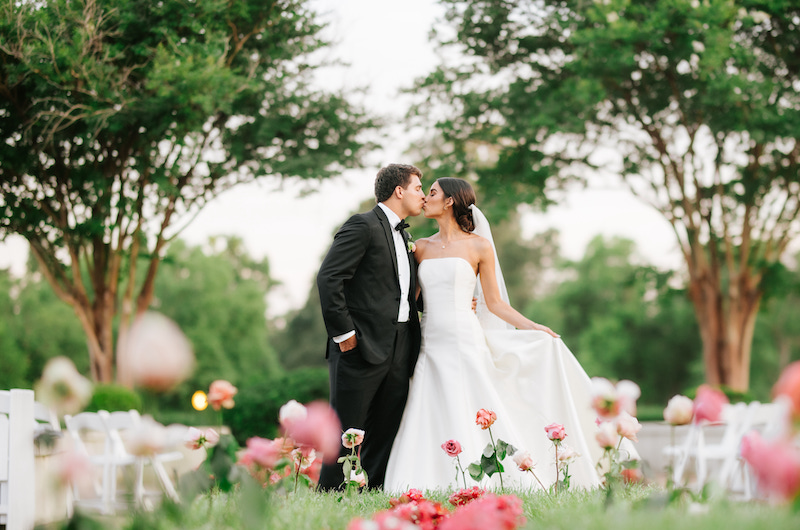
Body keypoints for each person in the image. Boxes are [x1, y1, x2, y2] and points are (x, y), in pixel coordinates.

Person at [384, 177, 610, 492]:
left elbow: (495, 303)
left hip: (466, 337)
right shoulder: (419, 247)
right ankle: (426, 479)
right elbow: (411, 299)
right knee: (429, 403)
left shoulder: (479, 246)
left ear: (450, 201)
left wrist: (533, 326)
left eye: (432, 193)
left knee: (476, 402)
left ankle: (496, 476)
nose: (425, 199)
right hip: (430, 339)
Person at [316, 163, 425, 490]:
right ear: (399, 190)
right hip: (359, 347)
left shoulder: (406, 235)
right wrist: (345, 335)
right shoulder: (361, 226)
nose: (423, 194)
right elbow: (329, 278)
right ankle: (329, 492)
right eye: (419, 188)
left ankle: (375, 489)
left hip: (401, 346)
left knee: (386, 426)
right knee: (345, 428)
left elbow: (399, 291)